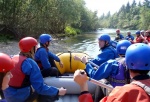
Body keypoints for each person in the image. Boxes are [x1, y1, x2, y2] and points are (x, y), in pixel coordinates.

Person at [74, 43, 150, 102]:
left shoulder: (120, 93)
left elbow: (94, 76)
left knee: (102, 80)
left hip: (114, 91)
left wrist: (83, 86)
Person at [3, 37, 66, 102]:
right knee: (43, 92)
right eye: (35, 47)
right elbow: (40, 88)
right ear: (31, 49)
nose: (37, 48)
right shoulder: (30, 63)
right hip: (22, 98)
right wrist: (58, 91)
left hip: (8, 96)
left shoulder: (11, 57)